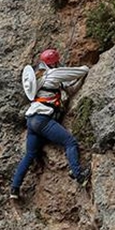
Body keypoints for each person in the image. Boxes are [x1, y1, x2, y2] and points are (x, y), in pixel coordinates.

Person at [10, 48, 90, 199]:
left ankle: (14, 188)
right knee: (70, 142)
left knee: (30, 155)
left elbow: (68, 86)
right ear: (54, 63)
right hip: (42, 120)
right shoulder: (53, 73)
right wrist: (87, 67)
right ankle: (79, 175)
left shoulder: (39, 77)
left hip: (31, 120)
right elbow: (80, 71)